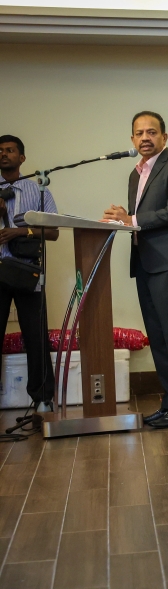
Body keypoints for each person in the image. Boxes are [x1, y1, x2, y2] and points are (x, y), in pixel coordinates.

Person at [103, 111, 168, 429]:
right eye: (139, 133)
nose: (145, 137)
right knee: (157, 338)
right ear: (132, 140)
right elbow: (140, 217)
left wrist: (130, 219)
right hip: (144, 262)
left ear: (164, 137)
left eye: (152, 132)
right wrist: (125, 217)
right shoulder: (135, 174)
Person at [0, 135, 58, 411]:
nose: (4, 154)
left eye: (10, 150)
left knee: (36, 335)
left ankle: (43, 398)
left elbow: (54, 231)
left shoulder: (37, 190)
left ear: (21, 158)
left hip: (27, 271)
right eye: (0, 151)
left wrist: (19, 230)